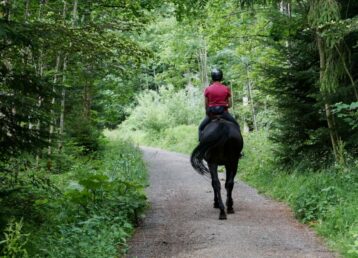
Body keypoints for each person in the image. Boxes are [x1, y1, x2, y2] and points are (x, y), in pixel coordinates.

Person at [198, 68, 239, 140]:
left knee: (201, 128)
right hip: (224, 113)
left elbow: (206, 106)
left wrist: (208, 114)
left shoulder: (208, 89)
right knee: (236, 126)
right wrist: (224, 105)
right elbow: (230, 105)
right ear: (221, 77)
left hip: (212, 114)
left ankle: (201, 147)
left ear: (212, 77)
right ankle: (239, 150)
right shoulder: (226, 89)